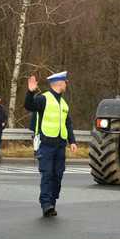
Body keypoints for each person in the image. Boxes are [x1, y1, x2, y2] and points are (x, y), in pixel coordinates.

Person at [24, 71, 77, 217]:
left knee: (58, 175)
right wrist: (30, 92)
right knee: (47, 174)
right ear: (59, 83)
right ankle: (46, 204)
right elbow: (29, 106)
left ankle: (52, 202)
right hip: (46, 144)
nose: (67, 84)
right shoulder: (43, 99)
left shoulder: (64, 103)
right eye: (65, 82)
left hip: (60, 145)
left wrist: (72, 141)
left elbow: (68, 123)